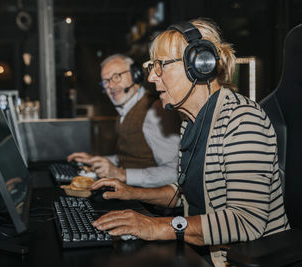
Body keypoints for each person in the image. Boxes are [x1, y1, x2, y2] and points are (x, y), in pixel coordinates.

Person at [91, 19, 289, 266]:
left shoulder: (242, 119)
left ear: (199, 65)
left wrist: (157, 227)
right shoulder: (191, 121)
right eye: (152, 67)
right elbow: (187, 193)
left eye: (161, 66)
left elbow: (245, 220)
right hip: (203, 251)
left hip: (237, 259)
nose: (152, 77)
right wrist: (132, 192)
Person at [68, 54, 181, 188]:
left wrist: (122, 174)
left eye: (116, 77)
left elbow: (175, 171)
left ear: (136, 75)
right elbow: (130, 157)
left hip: (151, 204)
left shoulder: (154, 111)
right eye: (105, 81)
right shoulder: (125, 110)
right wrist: (96, 161)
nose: (111, 85)